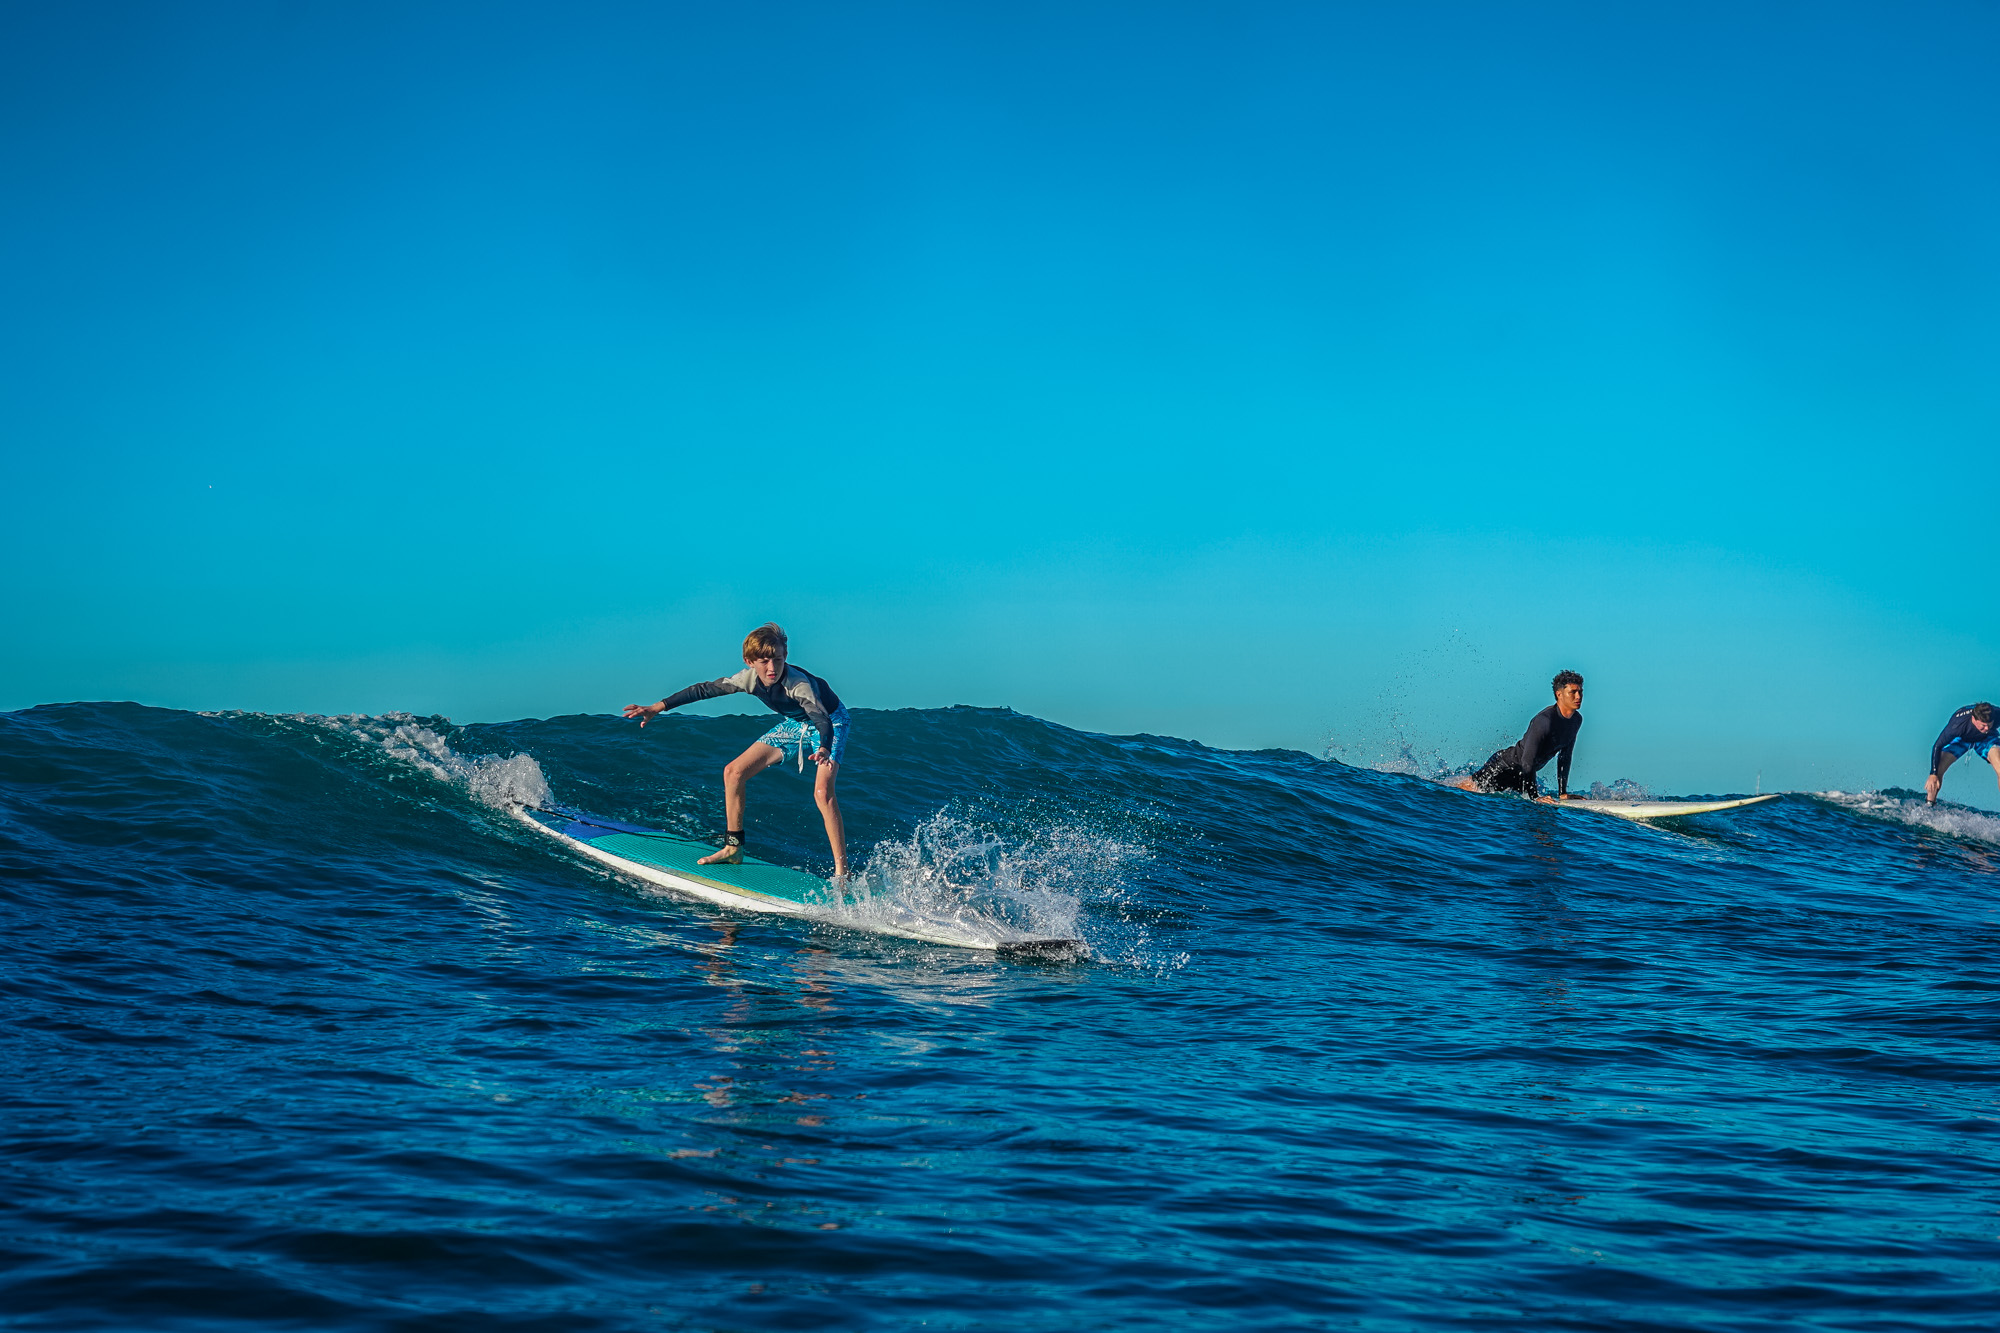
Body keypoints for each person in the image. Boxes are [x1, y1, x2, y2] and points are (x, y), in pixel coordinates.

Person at [623, 623, 850, 878]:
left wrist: (824, 747)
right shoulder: (748, 679)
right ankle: (733, 848)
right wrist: (657, 707)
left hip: (831, 721)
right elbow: (703, 690)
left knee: (822, 792)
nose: (772, 668)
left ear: (785, 655)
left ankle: (843, 872)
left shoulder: (798, 684)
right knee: (733, 772)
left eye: (777, 659)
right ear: (749, 661)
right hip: (796, 723)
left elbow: (821, 719)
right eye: (764, 661)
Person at [1463, 671, 1585, 800]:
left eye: (1580, 692)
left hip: (1521, 775)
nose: (1578, 696)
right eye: (1573, 692)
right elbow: (1527, 760)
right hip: (1502, 767)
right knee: (1465, 791)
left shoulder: (1576, 720)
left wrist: (1562, 793)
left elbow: (1565, 757)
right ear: (1559, 694)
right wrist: (1535, 797)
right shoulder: (1544, 720)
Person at [1925, 701, 1999, 805]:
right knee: (1938, 770)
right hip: (1962, 739)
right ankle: (1930, 804)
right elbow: (1937, 746)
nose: (1986, 728)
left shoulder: (1996, 713)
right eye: (1983, 725)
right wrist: (1933, 773)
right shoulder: (1957, 724)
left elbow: (1988, 729)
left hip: (1987, 739)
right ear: (1974, 719)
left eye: (1989, 725)